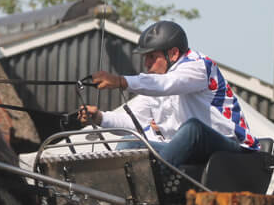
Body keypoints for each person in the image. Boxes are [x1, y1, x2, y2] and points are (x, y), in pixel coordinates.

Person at [77, 20, 259, 168]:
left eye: (152, 57)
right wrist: (99, 118)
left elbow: (167, 84)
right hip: (189, 152)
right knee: (130, 142)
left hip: (233, 151)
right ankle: (118, 195)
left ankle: (157, 180)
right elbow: (134, 122)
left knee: (193, 129)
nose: (147, 64)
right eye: (145, 58)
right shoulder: (155, 83)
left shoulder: (197, 65)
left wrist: (121, 81)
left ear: (173, 53)